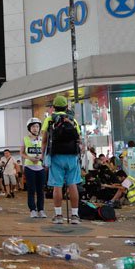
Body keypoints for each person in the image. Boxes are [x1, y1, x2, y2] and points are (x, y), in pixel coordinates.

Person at [41, 95, 82, 225]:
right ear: (66, 107)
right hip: (72, 156)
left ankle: (58, 215)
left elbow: (44, 141)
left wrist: (43, 156)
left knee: (57, 186)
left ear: (53, 107)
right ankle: (75, 216)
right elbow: (78, 139)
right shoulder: (72, 120)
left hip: (56, 156)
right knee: (73, 184)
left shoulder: (49, 119)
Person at [21, 117, 46, 219]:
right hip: (29, 167)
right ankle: (32, 210)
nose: (35, 128)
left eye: (37, 126)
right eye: (33, 126)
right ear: (29, 128)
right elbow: (22, 153)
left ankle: (41, 210)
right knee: (31, 190)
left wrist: (41, 157)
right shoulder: (25, 139)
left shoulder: (42, 139)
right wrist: (30, 158)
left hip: (40, 167)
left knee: (41, 190)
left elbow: (45, 152)